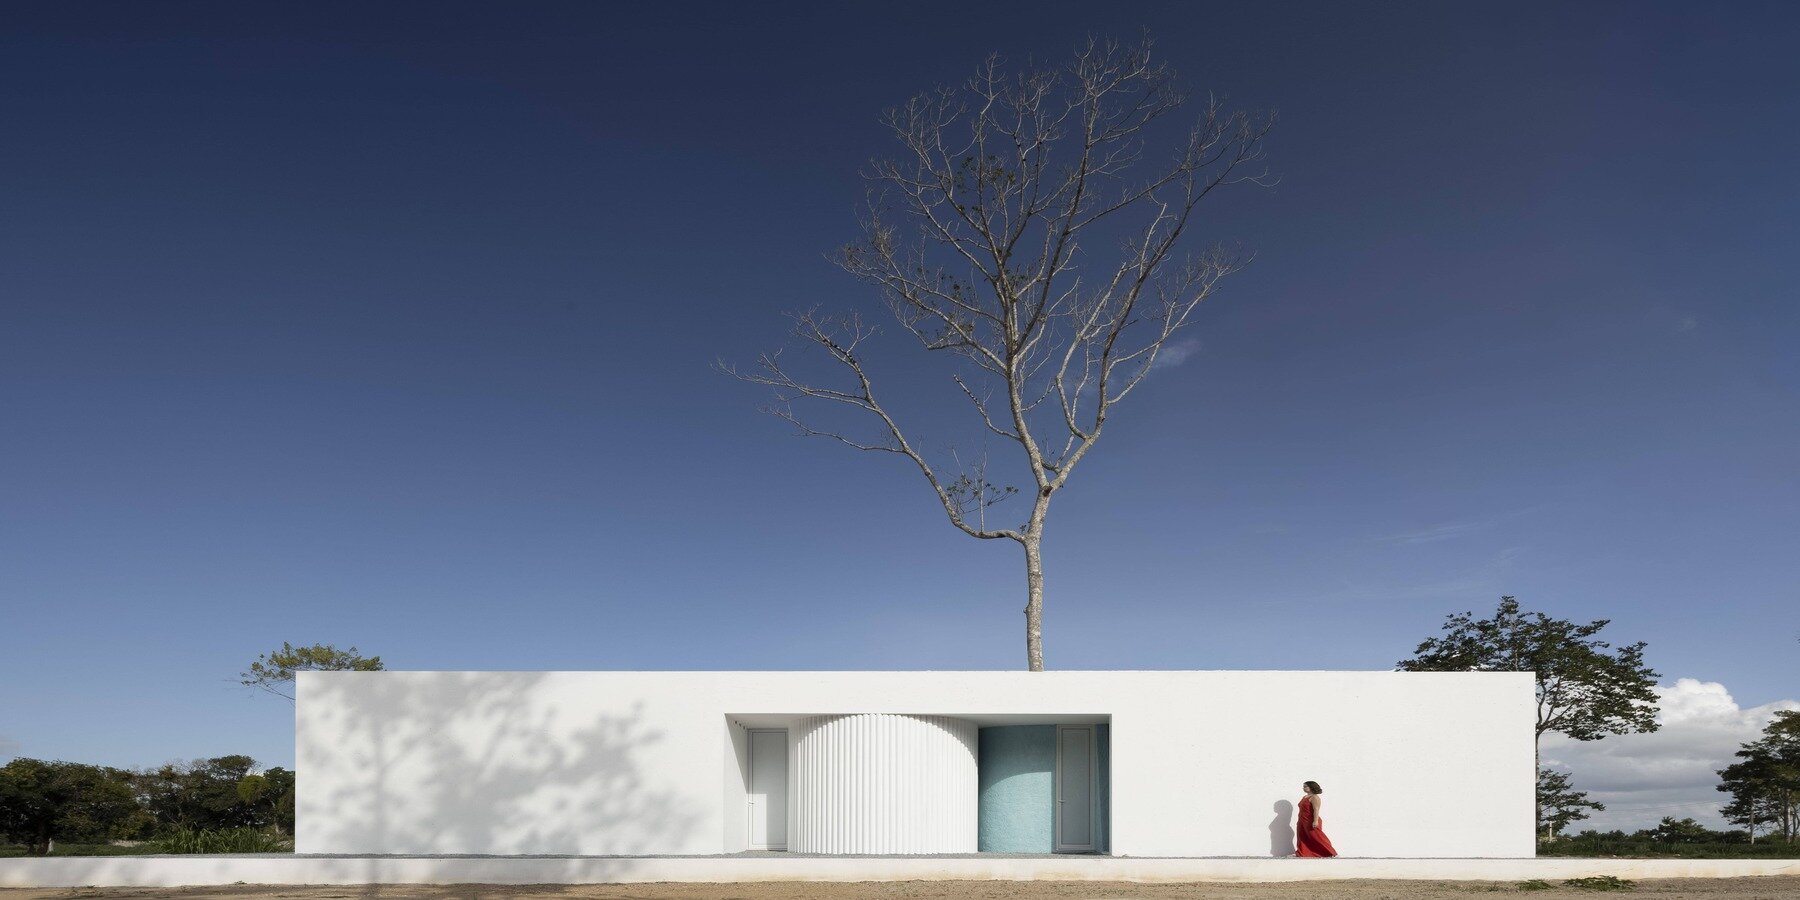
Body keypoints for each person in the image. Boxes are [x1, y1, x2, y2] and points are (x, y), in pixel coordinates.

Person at [1294, 780, 1338, 857]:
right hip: (1302, 820)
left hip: (1311, 820)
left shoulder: (1315, 797)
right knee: (1302, 836)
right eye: (1303, 786)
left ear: (1311, 787)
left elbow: (1316, 809)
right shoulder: (1304, 797)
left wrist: (1315, 821)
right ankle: (1303, 853)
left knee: (1317, 836)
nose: (1303, 788)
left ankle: (1331, 852)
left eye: (1305, 786)